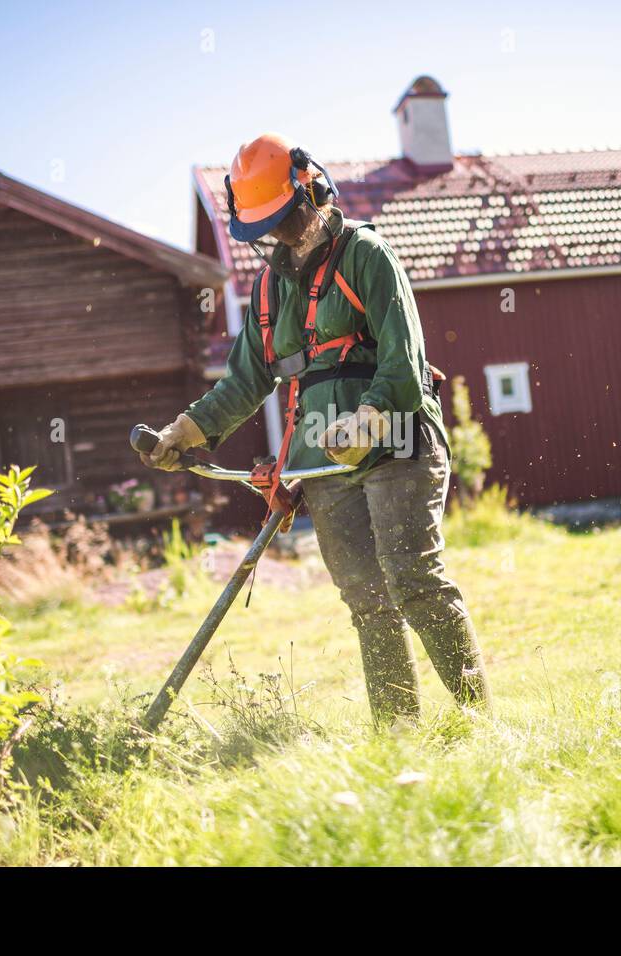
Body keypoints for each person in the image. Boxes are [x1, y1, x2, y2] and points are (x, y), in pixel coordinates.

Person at [143, 133, 489, 724]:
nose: (279, 236)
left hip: (397, 443)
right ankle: (398, 734)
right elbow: (246, 381)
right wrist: (188, 430)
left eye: (285, 219)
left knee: (414, 578)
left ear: (313, 190)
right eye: (266, 228)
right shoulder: (269, 289)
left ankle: (480, 719)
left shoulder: (366, 255)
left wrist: (369, 417)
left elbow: (404, 363)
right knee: (366, 599)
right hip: (323, 462)